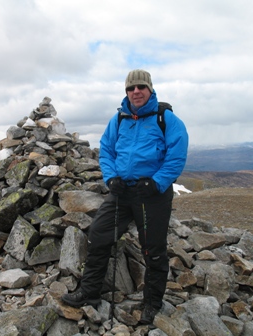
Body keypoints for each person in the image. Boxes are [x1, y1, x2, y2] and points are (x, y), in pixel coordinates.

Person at [61, 69, 189, 325]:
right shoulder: (118, 119)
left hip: (153, 195)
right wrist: (111, 179)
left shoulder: (166, 119)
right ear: (126, 92)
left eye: (141, 87)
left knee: (153, 249)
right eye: (131, 88)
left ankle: (152, 303)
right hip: (122, 193)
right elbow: (106, 150)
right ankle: (90, 292)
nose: (136, 92)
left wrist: (157, 183)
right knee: (98, 234)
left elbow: (176, 156)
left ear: (150, 89)